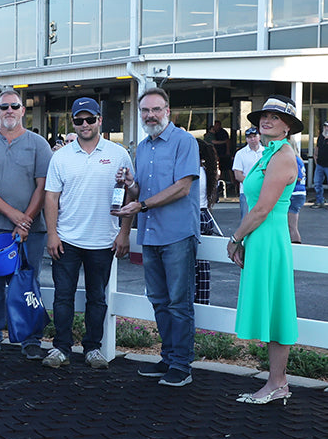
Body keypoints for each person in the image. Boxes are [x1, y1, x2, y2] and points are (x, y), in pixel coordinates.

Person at [114, 87, 200, 388]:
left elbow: (182, 187)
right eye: (145, 111)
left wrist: (143, 204)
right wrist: (131, 185)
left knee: (179, 303)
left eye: (156, 109)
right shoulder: (144, 147)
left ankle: (182, 365)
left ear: (168, 111)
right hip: (151, 235)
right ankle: (168, 357)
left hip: (176, 234)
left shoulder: (184, 141)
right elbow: (140, 193)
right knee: (160, 302)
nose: (151, 115)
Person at [41, 98, 133, 370]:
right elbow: (51, 198)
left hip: (103, 240)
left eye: (90, 119)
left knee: (98, 298)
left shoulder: (119, 154)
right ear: (73, 123)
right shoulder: (60, 156)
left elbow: (132, 195)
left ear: (100, 120)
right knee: (63, 297)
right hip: (67, 239)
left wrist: (124, 233)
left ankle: (93, 348)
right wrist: (52, 235)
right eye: (79, 121)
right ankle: (61, 348)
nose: (85, 125)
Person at [0, 88, 53, 359]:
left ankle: (31, 339)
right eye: (4, 107)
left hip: (32, 231)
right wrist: (15, 216)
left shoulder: (39, 144)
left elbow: (44, 186)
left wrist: (25, 221)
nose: (9, 111)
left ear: (23, 110)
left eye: (14, 106)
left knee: (28, 282)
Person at [227, 95, 301, 404]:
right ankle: (276, 382)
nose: (266, 120)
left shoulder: (282, 156)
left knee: (277, 311)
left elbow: (261, 209)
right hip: (262, 239)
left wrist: (235, 237)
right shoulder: (269, 153)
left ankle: (277, 383)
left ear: (287, 127)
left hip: (268, 239)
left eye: (274, 116)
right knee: (272, 311)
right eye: (263, 115)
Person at [195, 137, 225, 305]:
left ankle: (195, 302)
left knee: (191, 267)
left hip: (195, 217)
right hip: (204, 215)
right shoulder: (205, 170)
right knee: (202, 266)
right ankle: (202, 302)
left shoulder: (194, 174)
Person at [232, 127, 263, 219]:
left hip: (264, 191)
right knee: (246, 219)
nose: (252, 139)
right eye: (249, 137)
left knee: (263, 219)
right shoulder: (240, 154)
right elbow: (238, 175)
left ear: (259, 137)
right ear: (246, 139)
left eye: (255, 136)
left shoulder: (266, 152)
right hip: (246, 192)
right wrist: (252, 184)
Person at [207, 119, 231, 196]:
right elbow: (214, 142)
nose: (215, 128)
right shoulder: (210, 136)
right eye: (214, 126)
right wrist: (224, 142)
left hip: (221, 154)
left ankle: (227, 184)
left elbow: (227, 141)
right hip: (213, 155)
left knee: (226, 168)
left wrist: (227, 151)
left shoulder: (223, 133)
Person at [289, 149, 306, 244]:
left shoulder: (293, 159)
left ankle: (296, 246)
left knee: (292, 225)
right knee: (291, 225)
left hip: (295, 193)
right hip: (299, 194)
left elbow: (298, 176)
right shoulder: (299, 159)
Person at [314, 121, 328, 207]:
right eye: (325, 126)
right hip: (320, 165)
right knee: (317, 183)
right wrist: (315, 157)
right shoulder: (320, 137)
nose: (326, 128)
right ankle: (319, 201)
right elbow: (317, 148)